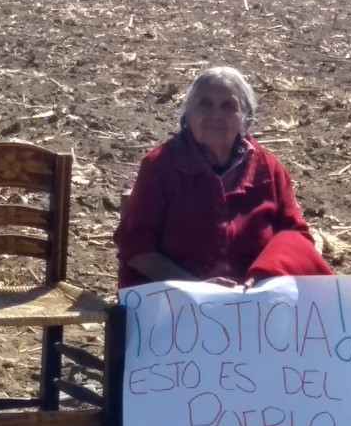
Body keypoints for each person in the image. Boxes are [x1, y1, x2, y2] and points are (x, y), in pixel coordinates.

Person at [115, 66, 332, 290]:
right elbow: (137, 249)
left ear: (244, 118)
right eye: (205, 104)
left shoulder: (269, 169)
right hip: (177, 304)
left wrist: (262, 276)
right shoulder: (160, 166)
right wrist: (200, 289)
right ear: (187, 115)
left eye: (228, 106)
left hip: (257, 302)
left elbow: (296, 237)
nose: (215, 116)